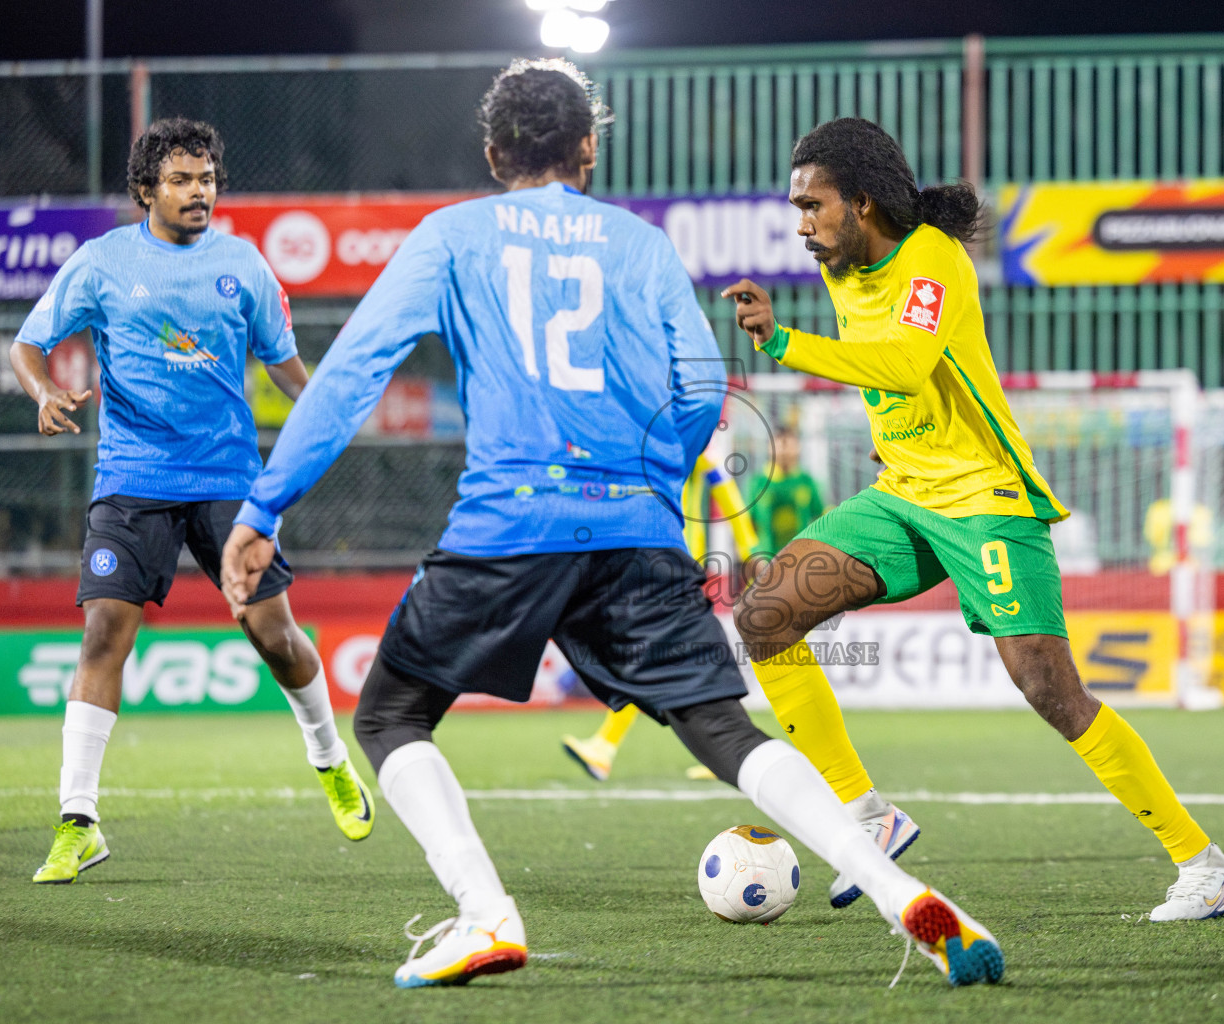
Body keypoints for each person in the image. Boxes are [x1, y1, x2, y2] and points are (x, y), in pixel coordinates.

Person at [221, 61, 1003, 989]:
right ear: (589, 148)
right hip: (634, 529)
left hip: (508, 523)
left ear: (491, 151)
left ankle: (484, 916)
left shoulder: (449, 236)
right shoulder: (638, 243)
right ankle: (892, 887)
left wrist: (265, 507)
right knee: (724, 729)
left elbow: (353, 376)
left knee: (391, 714)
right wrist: (647, 486)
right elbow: (702, 390)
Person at [723, 117, 1224, 922]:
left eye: (813, 206)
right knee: (764, 613)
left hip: (985, 499)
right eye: (796, 207)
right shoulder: (842, 267)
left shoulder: (934, 257)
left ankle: (1204, 863)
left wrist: (787, 343)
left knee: (1048, 686)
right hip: (903, 497)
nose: (801, 224)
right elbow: (892, 383)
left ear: (862, 203)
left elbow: (904, 364)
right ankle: (867, 811)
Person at [10, 118, 374, 885]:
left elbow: (283, 365)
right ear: (147, 189)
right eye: (181, 179)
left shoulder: (242, 264)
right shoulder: (102, 263)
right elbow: (26, 343)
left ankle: (329, 758)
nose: (199, 191)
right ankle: (78, 819)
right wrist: (43, 392)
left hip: (226, 482)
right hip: (132, 479)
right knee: (103, 633)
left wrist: (325, 415)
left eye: (207, 178)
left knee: (275, 636)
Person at [559, 449, 759, 782]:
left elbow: (728, 495)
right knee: (654, 658)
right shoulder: (655, 442)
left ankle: (606, 746)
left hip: (675, 562)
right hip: (657, 555)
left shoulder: (688, 442)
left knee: (647, 655)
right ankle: (607, 746)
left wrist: (750, 551)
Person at [747, 420, 825, 559]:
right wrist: (753, 556)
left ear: (798, 447)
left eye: (788, 443)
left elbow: (819, 517)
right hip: (765, 562)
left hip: (802, 561)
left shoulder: (807, 482)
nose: (783, 448)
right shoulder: (758, 483)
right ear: (769, 447)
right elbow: (747, 525)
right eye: (778, 442)